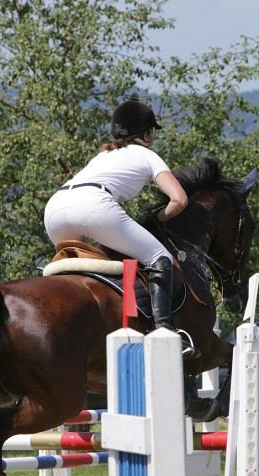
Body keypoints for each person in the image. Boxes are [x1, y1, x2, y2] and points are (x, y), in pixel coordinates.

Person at [44, 98, 197, 358]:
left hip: (55, 208)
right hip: (93, 205)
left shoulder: (103, 155)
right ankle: (165, 332)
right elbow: (179, 200)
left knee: (78, 268)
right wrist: (157, 218)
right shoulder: (148, 155)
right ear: (148, 133)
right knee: (160, 258)